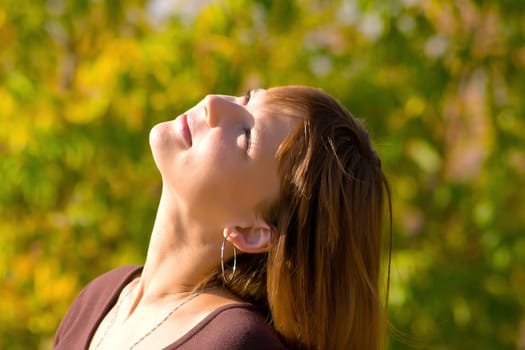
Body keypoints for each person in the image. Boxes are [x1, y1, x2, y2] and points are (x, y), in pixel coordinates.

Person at [53, 85, 392, 350]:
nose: (213, 103)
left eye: (245, 136)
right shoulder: (99, 298)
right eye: (246, 99)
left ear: (254, 231)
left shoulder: (237, 342)